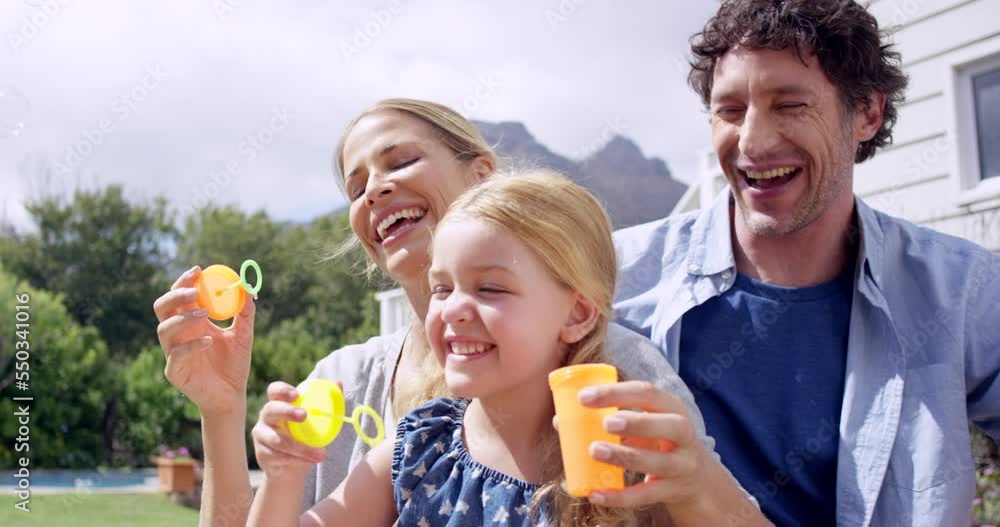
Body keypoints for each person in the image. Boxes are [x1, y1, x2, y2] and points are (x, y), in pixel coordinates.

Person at [153, 99, 761, 526]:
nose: (373, 189)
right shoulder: (388, 421)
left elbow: (699, 498)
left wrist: (697, 484)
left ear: (481, 177)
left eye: (399, 161)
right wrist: (222, 410)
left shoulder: (612, 386)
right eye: (355, 184)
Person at [612, 1, 1000, 525]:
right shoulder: (619, 275)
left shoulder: (960, 287)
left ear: (866, 114)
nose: (753, 141)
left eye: (790, 104)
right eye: (729, 111)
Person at [248, 170, 768, 526]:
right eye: (441, 288)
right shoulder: (420, 448)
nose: (451, 309)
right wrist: (281, 476)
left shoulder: (625, 455)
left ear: (578, 313)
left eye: (490, 288)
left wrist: (697, 479)